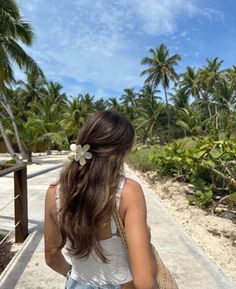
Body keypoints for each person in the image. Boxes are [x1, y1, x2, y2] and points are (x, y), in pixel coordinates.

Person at [44, 110, 157, 289]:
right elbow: (145, 283)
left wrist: (73, 277)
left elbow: (51, 256)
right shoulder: (128, 192)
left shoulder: (55, 192)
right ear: (122, 152)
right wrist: (148, 244)